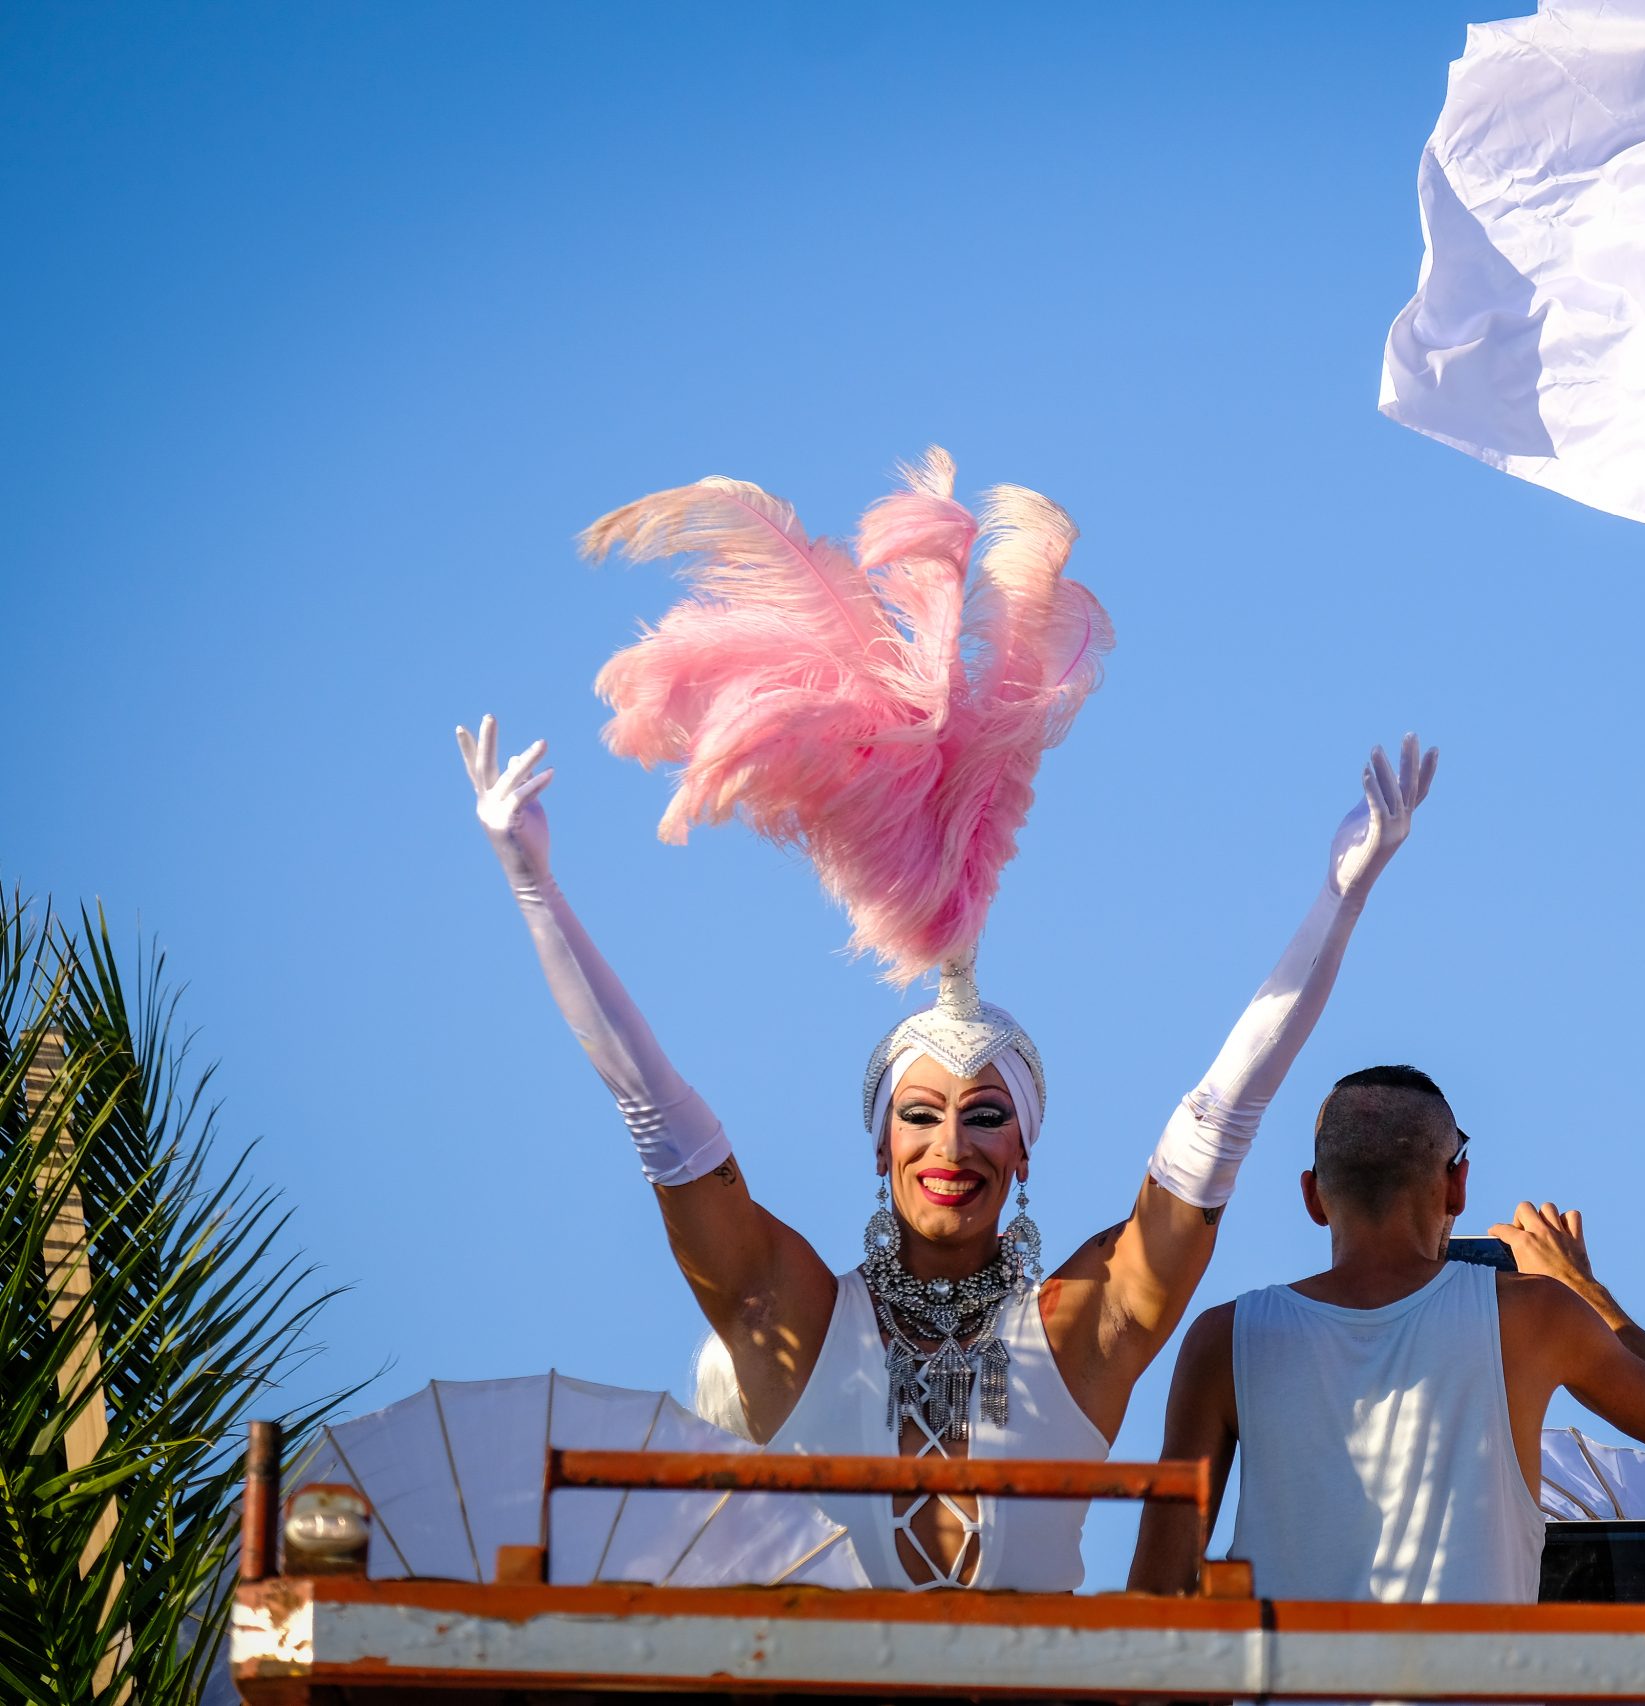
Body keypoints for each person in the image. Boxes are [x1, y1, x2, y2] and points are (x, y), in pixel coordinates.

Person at [457, 452, 1438, 1591]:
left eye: (984, 1115)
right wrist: (537, 891)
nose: (952, 1142)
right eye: (920, 1114)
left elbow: (1222, 1118)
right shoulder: (792, 1315)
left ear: (1025, 1149)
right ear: (879, 1143)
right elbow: (661, 1120)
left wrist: (1338, 899)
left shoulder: (1082, 1325)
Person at [1128, 1065, 1645, 1601]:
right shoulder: (1536, 1316)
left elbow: (1156, 1592)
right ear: (1457, 1187)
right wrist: (1579, 1288)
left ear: (1312, 1197)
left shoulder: (1225, 1339)